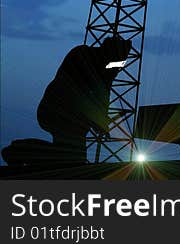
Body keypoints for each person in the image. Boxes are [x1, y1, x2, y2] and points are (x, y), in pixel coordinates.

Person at [0, 36, 132, 166]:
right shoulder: (84, 55)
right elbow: (97, 90)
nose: (117, 67)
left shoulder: (95, 60)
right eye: (117, 61)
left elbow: (102, 90)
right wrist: (99, 120)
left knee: (70, 157)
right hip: (60, 112)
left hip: (66, 115)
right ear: (109, 53)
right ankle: (19, 151)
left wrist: (100, 120)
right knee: (72, 158)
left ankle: (19, 151)